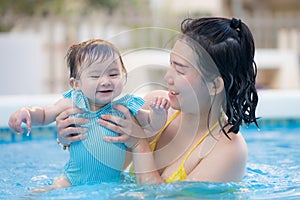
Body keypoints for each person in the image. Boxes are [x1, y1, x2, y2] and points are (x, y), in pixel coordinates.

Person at [55, 17, 259, 184]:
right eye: (170, 64)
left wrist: (139, 143)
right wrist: (72, 135)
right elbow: (105, 171)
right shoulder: (154, 107)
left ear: (214, 85)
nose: (167, 77)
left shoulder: (228, 150)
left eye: (180, 69)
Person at [8, 39, 170, 191]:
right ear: (75, 84)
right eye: (95, 76)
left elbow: (152, 125)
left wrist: (158, 112)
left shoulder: (125, 107)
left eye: (113, 74)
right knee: (44, 192)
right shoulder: (73, 102)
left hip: (113, 181)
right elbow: (44, 115)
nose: (105, 81)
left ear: (123, 75)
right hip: (71, 180)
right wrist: (27, 112)